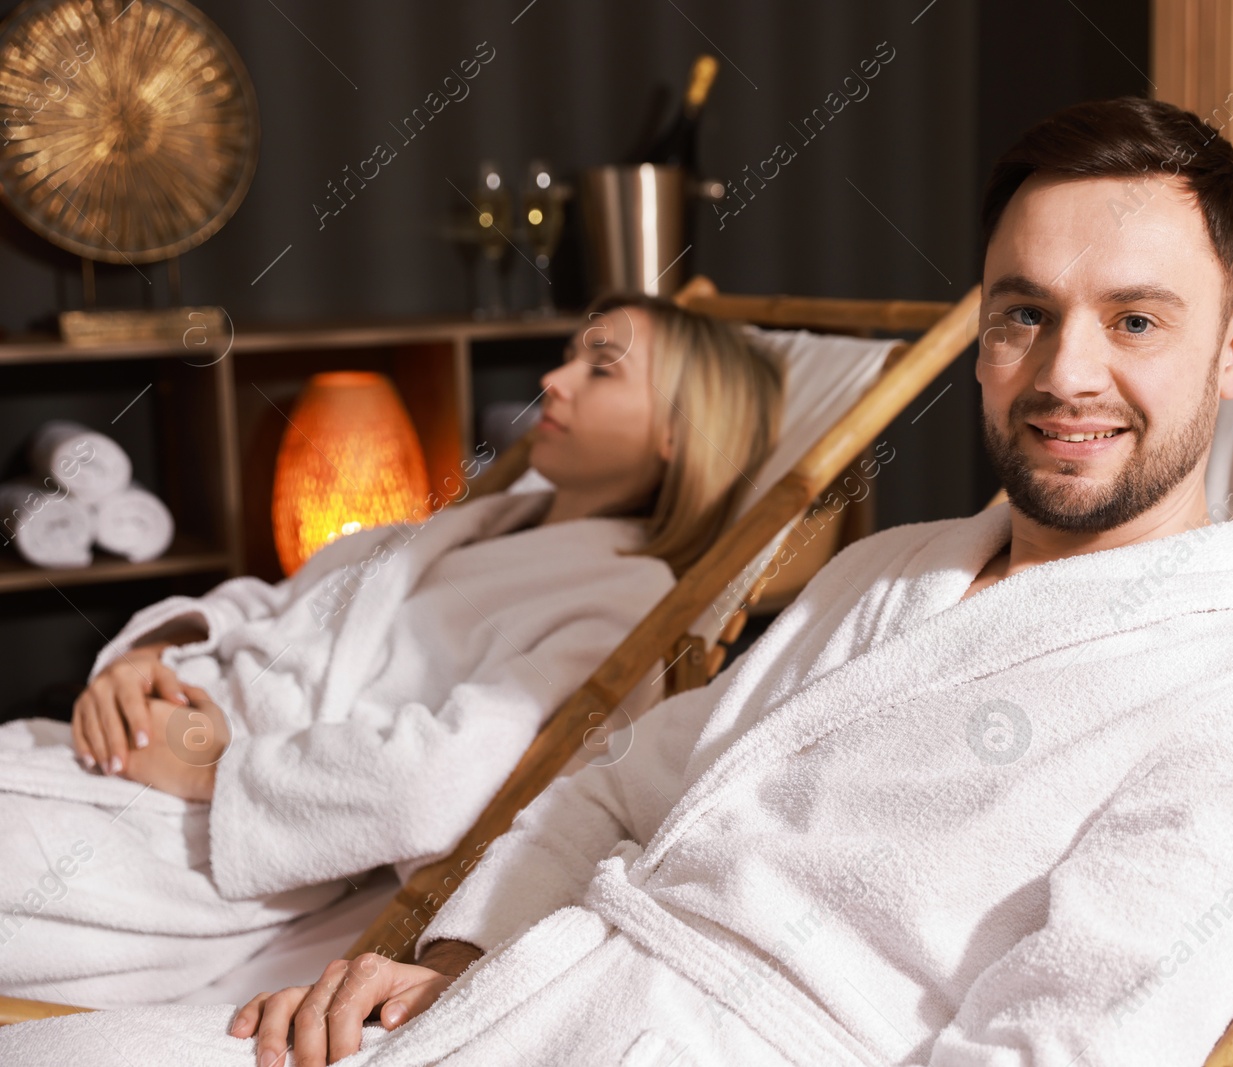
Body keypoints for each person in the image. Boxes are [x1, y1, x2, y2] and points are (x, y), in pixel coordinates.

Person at [0, 97, 1233, 1067]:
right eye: (1024, 313)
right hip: (533, 994)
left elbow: (1061, 1043)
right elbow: (620, 777)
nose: (1068, 371)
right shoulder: (892, 571)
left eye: (1136, 320)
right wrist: (456, 956)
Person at [0, 294, 783, 1008]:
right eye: (571, 354)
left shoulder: (620, 597)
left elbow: (433, 779)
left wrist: (212, 766)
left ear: (682, 430)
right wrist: (153, 652)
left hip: (199, 837)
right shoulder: (470, 522)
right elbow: (266, 601)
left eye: (599, 370)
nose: (556, 377)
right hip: (118, 736)